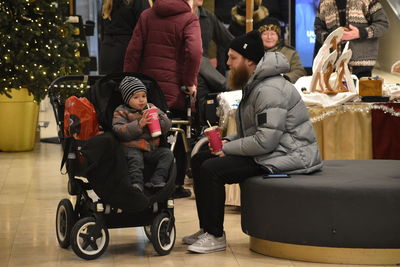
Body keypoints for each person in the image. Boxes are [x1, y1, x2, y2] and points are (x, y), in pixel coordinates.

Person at [183, 30, 323, 254]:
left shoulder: (269, 89)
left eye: (232, 58)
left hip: (289, 155)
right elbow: (254, 130)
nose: (227, 63)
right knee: (200, 160)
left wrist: (227, 149)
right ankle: (207, 229)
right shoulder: (255, 83)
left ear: (249, 61)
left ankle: (216, 236)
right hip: (274, 149)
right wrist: (229, 139)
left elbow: (266, 141)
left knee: (212, 169)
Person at [124, 0, 202, 198]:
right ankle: (174, 185)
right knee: (178, 130)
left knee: (145, 130)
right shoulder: (189, 18)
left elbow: (133, 51)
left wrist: (129, 85)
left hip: (146, 92)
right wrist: (190, 82)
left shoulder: (147, 15)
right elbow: (194, 52)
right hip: (174, 92)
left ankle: (140, 178)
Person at [112, 76, 173, 192]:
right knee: (136, 159)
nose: (141, 100)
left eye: (143, 96)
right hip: (131, 146)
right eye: (136, 97)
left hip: (151, 148)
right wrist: (139, 124)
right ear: (126, 99)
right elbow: (119, 130)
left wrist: (160, 117)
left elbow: (167, 126)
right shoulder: (121, 111)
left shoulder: (150, 107)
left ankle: (157, 178)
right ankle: (136, 183)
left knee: (167, 154)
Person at [314, 0, 389, 78]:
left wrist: (360, 33)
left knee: (361, 89)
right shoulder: (324, 3)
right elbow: (318, 28)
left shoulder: (368, 1)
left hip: (362, 67)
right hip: (333, 67)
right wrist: (329, 38)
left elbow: (383, 24)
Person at [192, 0, 234, 127]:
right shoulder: (177, 17)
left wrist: (247, 51)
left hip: (201, 70)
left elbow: (228, 40)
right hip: (185, 69)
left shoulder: (207, 16)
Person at [99, 0, 150, 74]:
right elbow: (145, 27)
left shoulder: (107, 2)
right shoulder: (138, 2)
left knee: (107, 83)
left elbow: (102, 31)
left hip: (106, 52)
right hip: (127, 51)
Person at [259, 18, 306, 83]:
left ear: (278, 36)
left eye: (272, 34)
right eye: (265, 34)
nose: (269, 37)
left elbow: (299, 71)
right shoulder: (253, 53)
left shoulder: (290, 53)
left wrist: (284, 78)